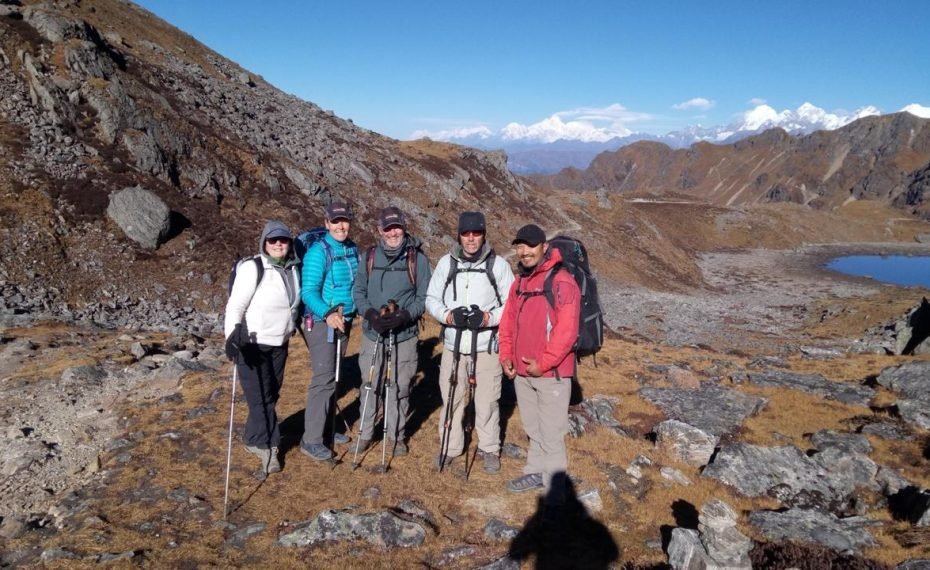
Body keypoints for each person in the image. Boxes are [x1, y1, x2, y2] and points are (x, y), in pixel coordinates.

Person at [426, 211, 514, 472]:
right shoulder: (447, 263)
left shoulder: (497, 266)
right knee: (452, 397)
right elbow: (431, 298)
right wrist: (448, 315)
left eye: (476, 233)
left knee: (487, 399)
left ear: (484, 235)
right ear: (459, 236)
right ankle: (450, 448)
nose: (471, 239)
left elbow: (511, 305)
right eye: (466, 234)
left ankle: (489, 449)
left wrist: (487, 318)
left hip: (486, 346)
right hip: (454, 345)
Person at [498, 224, 580, 495]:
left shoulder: (562, 281)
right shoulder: (520, 282)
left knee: (552, 434)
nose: (524, 251)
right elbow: (508, 321)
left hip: (550, 374)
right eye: (520, 246)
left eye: (530, 245)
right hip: (523, 372)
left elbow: (566, 332)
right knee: (533, 428)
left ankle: (555, 492)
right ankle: (534, 473)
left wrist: (543, 363)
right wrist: (506, 355)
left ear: (544, 247)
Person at [353, 206, 431, 457]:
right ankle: (365, 433)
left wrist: (406, 315)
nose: (393, 232)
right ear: (380, 230)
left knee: (399, 385)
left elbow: (424, 297)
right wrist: (371, 314)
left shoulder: (417, 259)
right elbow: (358, 292)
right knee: (369, 384)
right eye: (388, 228)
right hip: (372, 334)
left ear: (404, 227)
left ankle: (396, 436)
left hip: (404, 336)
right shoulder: (370, 257)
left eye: (396, 227)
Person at [224, 220, 302, 474]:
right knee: (261, 399)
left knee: (272, 394)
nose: (278, 244)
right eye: (273, 240)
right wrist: (231, 336)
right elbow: (236, 305)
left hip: (280, 342)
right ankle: (270, 447)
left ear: (289, 243)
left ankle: (252, 438)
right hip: (252, 345)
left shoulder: (292, 268)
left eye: (283, 240)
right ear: (264, 243)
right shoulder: (253, 267)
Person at [299, 202, 359, 461]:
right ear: (327, 224)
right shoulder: (317, 252)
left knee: (335, 376)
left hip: (344, 321)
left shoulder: (351, 249)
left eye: (344, 221)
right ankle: (310, 440)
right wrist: (328, 314)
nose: (341, 226)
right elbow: (308, 291)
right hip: (321, 322)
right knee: (323, 378)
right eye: (335, 222)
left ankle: (326, 426)